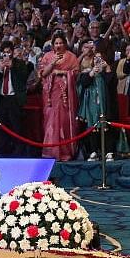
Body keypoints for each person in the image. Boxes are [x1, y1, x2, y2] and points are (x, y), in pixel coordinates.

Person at [38, 33, 80, 162]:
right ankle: (51, 151)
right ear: (52, 45)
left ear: (65, 44)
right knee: (51, 121)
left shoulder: (71, 57)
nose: (58, 45)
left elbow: (76, 74)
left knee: (64, 121)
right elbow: (43, 74)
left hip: (66, 95)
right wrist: (52, 63)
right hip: (50, 94)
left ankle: (65, 152)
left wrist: (62, 72)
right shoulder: (47, 56)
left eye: (61, 43)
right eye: (56, 43)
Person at [0, 40, 32, 157]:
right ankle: (2, 153)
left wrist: (12, 67)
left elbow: (24, 78)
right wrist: (0, 69)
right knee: (1, 128)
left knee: (17, 127)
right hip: (1, 100)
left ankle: (19, 153)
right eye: (4, 52)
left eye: (9, 52)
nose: (6, 55)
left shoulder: (19, 63)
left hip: (14, 99)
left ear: (12, 53)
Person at [77, 40, 117, 162]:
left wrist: (108, 68)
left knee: (107, 126)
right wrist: (92, 73)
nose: (98, 61)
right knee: (92, 126)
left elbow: (112, 85)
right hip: (92, 106)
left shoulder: (108, 72)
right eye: (96, 59)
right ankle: (93, 151)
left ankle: (109, 151)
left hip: (106, 106)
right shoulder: (88, 72)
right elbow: (83, 83)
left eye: (100, 59)